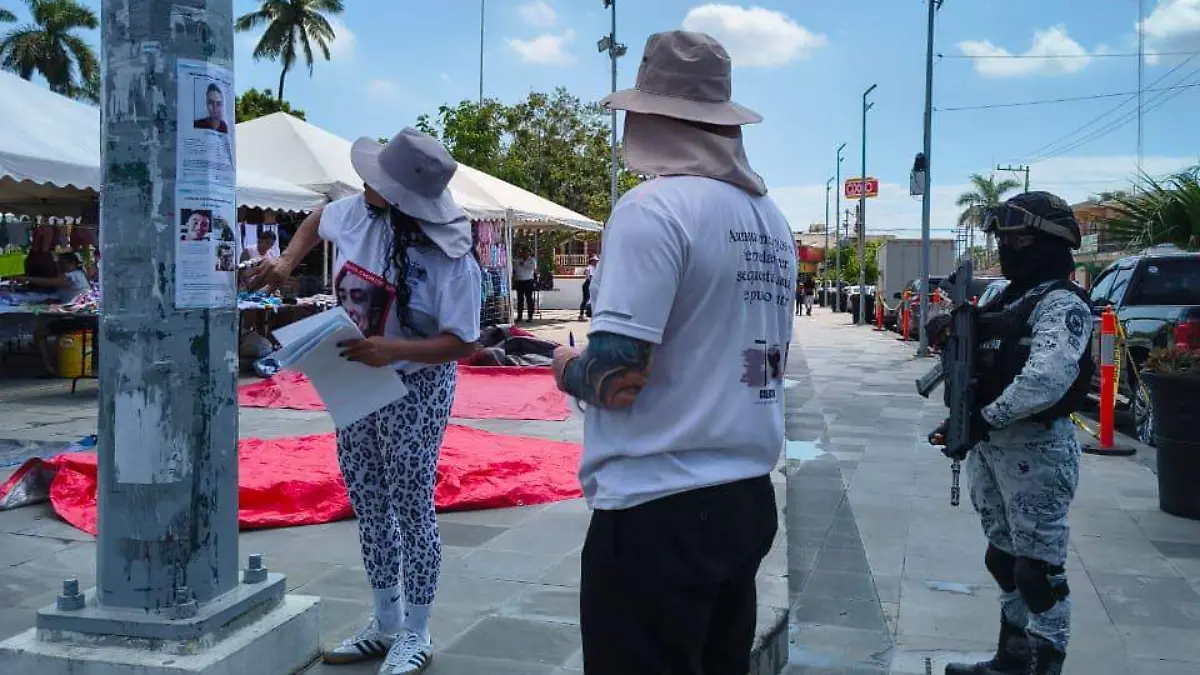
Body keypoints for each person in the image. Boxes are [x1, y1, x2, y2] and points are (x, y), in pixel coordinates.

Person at [550, 31, 794, 675]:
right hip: (746, 498)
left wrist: (564, 366)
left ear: (651, 118)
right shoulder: (770, 221)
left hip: (659, 508)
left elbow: (618, 378)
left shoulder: (653, 211)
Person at [246, 128, 482, 675]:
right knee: (368, 500)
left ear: (403, 199)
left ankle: (416, 631)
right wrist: (287, 261)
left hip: (415, 387)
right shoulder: (358, 213)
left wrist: (394, 350)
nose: (363, 187)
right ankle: (385, 622)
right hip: (354, 380)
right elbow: (317, 218)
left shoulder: (450, 258)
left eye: (375, 182)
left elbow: (464, 341)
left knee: (411, 504)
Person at [929, 192, 1091, 675]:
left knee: (1037, 572)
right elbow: (978, 360)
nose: (1006, 248)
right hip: (991, 447)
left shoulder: (1061, 304)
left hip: (1037, 451)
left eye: (1018, 239)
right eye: (1003, 239)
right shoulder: (1004, 297)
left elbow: (1046, 380)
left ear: (1050, 243)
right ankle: (1012, 660)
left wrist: (984, 419)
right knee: (1002, 558)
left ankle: (1044, 663)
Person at [15, 253, 94, 375]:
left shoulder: (75, 275)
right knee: (42, 323)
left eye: (62, 264)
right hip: (75, 315)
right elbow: (66, 295)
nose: (59, 267)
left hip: (79, 318)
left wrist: (28, 278)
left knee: (39, 333)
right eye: (58, 264)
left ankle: (49, 368)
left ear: (73, 264)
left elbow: (53, 283)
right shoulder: (74, 275)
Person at [513, 248, 536, 323]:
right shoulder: (517, 260)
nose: (525, 254)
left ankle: (530, 316)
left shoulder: (532, 260)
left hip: (528, 281)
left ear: (529, 253)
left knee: (529, 299)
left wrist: (524, 264)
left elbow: (533, 268)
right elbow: (514, 269)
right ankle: (519, 316)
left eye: (526, 252)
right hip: (519, 281)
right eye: (523, 252)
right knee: (520, 300)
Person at [579, 254, 598, 320]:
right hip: (587, 285)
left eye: (596, 261)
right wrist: (590, 278)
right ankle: (581, 315)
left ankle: (592, 313)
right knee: (585, 299)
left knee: (593, 299)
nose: (596, 262)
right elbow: (587, 275)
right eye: (595, 261)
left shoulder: (596, 268)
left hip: (592, 285)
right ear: (592, 261)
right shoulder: (589, 268)